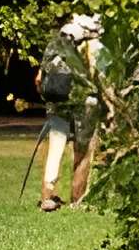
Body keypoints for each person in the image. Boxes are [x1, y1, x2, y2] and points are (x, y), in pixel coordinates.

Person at [34, 13, 104, 211]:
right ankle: (76, 200)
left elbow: (39, 79)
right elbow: (102, 78)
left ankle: (47, 197)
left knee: (55, 150)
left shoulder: (53, 45)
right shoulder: (94, 47)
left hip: (58, 104)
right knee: (83, 151)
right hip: (86, 104)